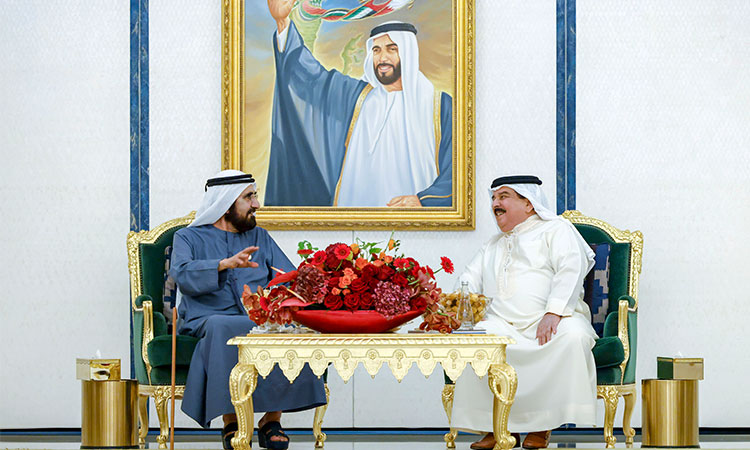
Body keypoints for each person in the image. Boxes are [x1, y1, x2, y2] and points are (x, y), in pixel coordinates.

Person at [170, 170, 326, 450]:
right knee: (223, 326)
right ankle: (232, 423)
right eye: (249, 197)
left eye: (254, 196)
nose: (256, 204)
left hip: (259, 316)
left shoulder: (260, 236)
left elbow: (287, 275)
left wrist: (318, 281)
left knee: (289, 325)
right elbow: (181, 274)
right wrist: (223, 264)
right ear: (226, 203)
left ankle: (271, 420)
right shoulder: (188, 237)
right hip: (207, 316)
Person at [451, 175, 598, 450]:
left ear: (528, 203)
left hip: (551, 319)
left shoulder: (556, 230)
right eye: (493, 197)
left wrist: (553, 313)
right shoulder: (493, 244)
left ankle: (540, 426)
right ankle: (496, 427)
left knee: (573, 337)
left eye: (503, 196)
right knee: (476, 340)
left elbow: (571, 269)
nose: (495, 203)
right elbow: (467, 280)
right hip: (502, 323)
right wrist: (460, 306)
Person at [264, 0, 452, 207]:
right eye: (377, 50)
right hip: (353, 219)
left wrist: (423, 200)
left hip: (415, 225)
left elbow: (458, 170)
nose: (382, 57)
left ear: (407, 54)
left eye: (392, 49)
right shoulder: (356, 97)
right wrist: (282, 23)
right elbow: (310, 79)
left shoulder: (439, 107)